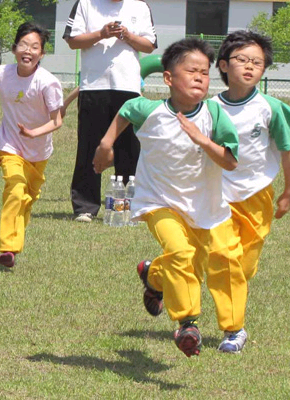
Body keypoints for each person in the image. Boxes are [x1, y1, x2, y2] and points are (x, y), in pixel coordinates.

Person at [93, 38, 241, 357]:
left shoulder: (215, 114)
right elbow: (127, 110)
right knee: (180, 252)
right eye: (192, 70)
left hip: (203, 209)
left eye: (205, 72)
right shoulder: (150, 110)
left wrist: (203, 140)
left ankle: (153, 275)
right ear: (169, 78)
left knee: (189, 263)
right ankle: (188, 323)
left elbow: (230, 161)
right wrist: (106, 145)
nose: (201, 77)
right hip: (155, 202)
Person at [212, 31, 290, 353]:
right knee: (225, 259)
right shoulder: (208, 107)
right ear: (223, 65)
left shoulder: (270, 107)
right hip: (216, 196)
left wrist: (289, 191)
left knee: (245, 267)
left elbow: (287, 148)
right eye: (242, 60)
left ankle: (161, 274)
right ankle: (233, 330)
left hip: (257, 198)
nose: (250, 67)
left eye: (258, 62)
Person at [0, 22, 63, 268]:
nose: (28, 50)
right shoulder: (1, 74)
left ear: (42, 54)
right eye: (24, 45)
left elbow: (57, 121)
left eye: (35, 47)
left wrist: (34, 132)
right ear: (15, 48)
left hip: (39, 152)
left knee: (27, 199)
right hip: (10, 145)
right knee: (15, 189)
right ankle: (8, 248)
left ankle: (14, 240)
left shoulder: (48, 83)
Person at [62, 0, 157, 223]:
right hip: (94, 85)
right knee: (89, 147)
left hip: (128, 87)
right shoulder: (85, 4)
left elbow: (150, 45)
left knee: (129, 147)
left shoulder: (140, 6)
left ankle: (128, 205)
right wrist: (101, 34)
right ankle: (85, 207)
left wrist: (127, 36)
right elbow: (73, 41)